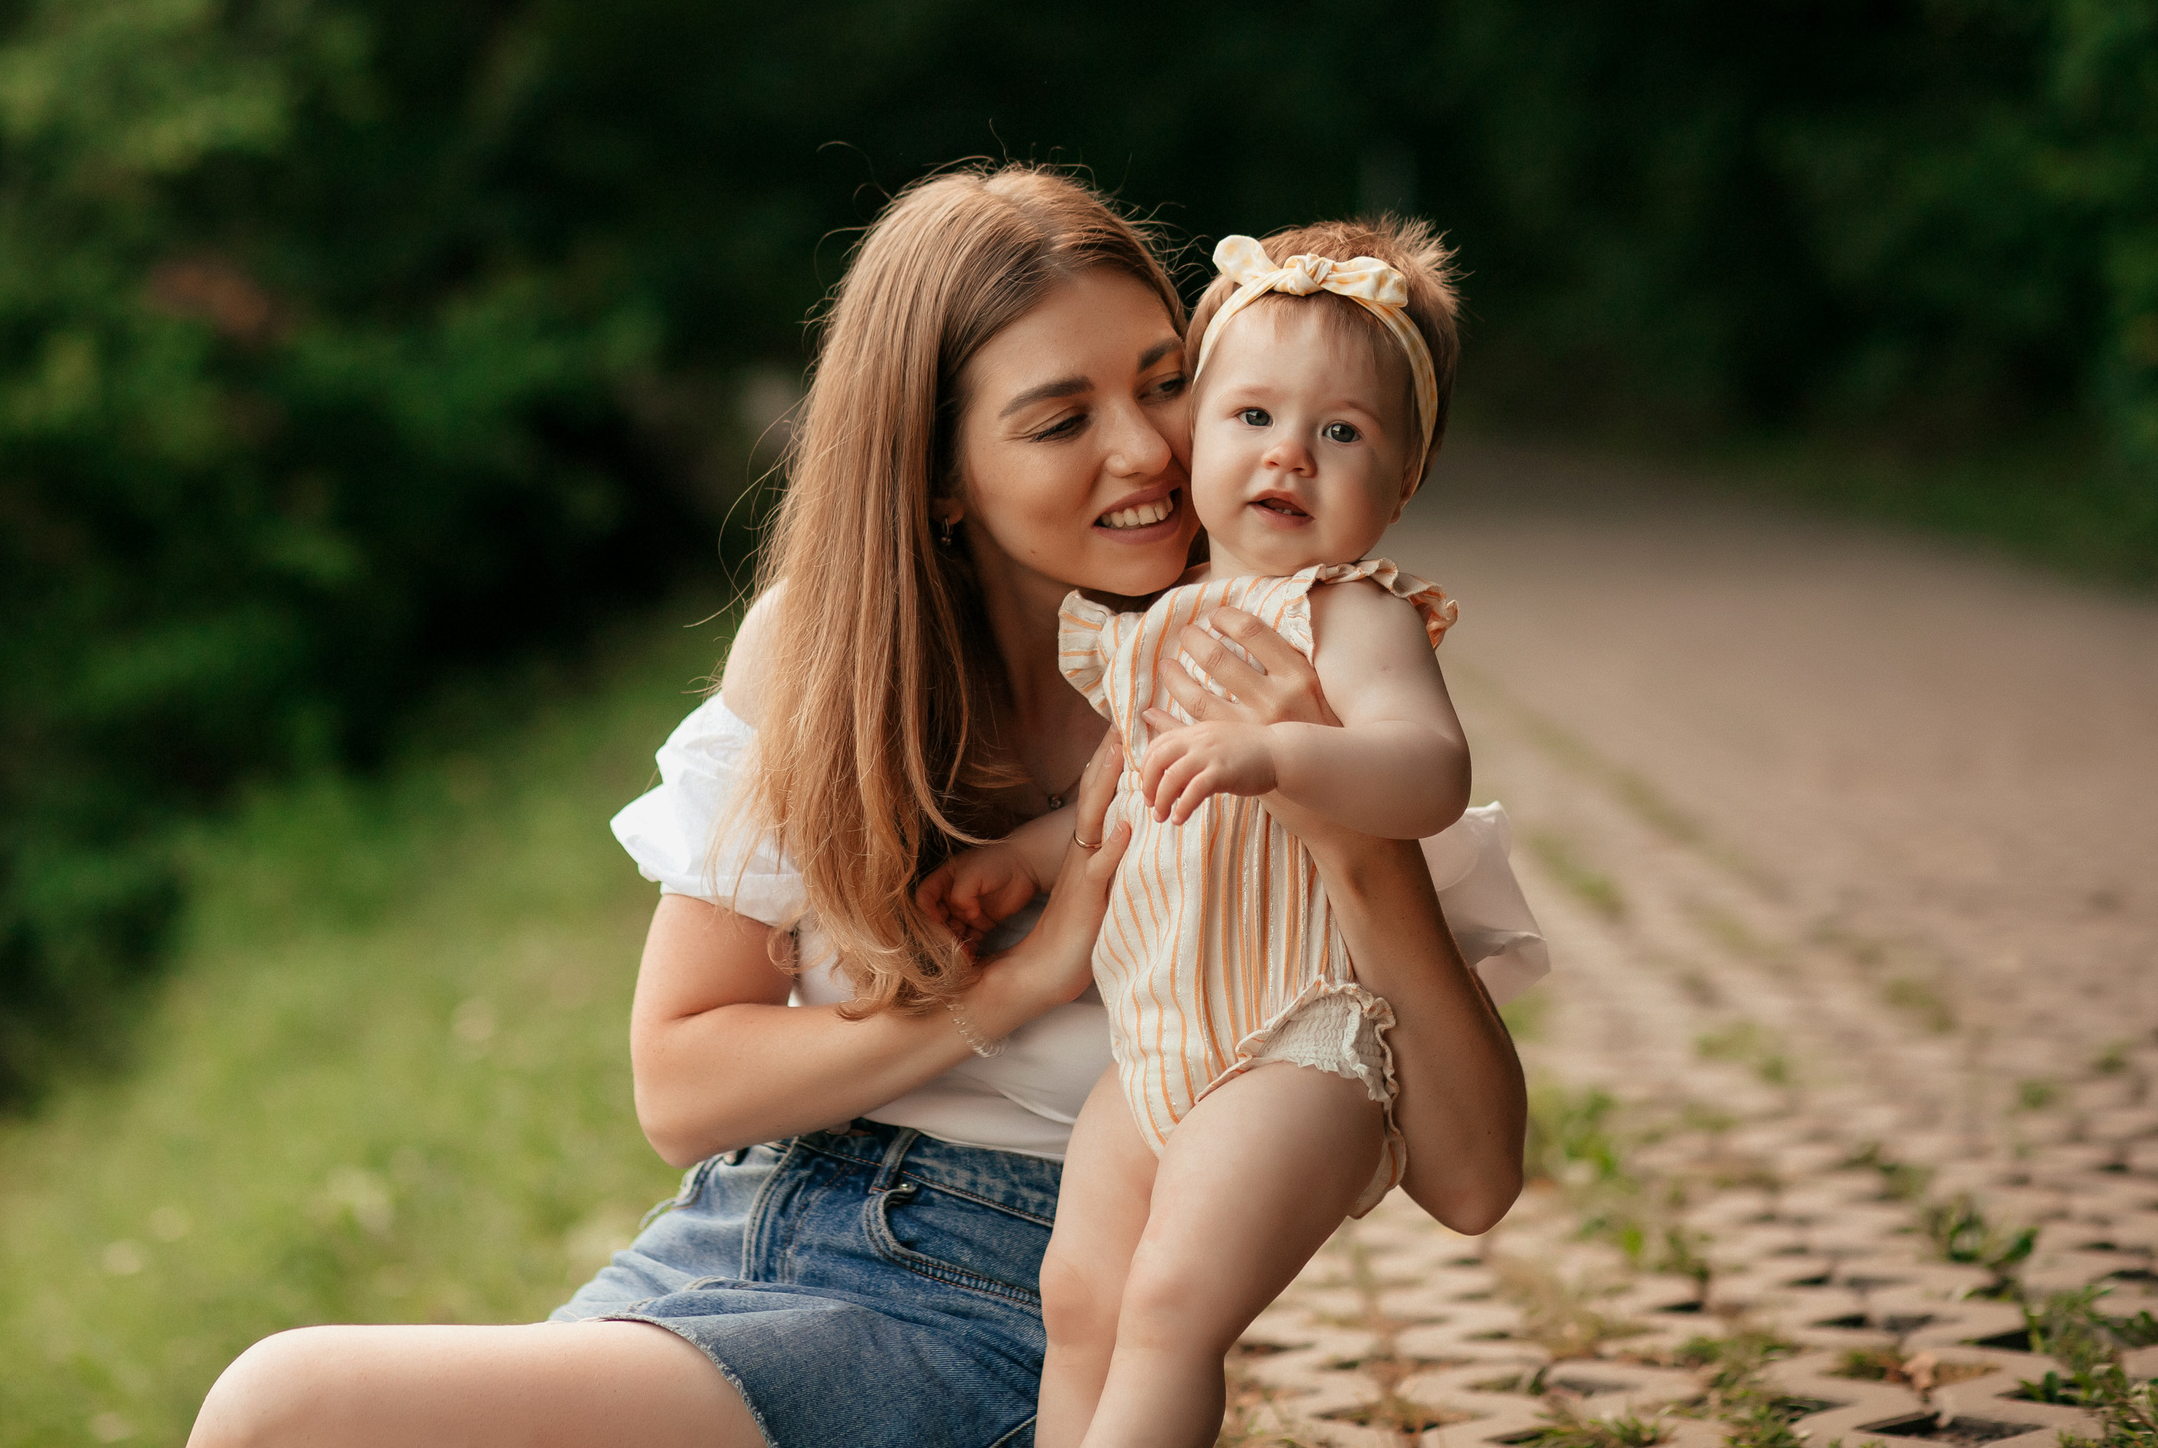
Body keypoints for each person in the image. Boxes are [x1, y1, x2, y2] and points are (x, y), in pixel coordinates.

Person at [185, 169, 1529, 1448]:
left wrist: (1337, 815)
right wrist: (1018, 980)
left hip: (984, 1310)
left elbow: (1471, 1174)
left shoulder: (1270, 672)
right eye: (1061, 419)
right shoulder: (826, 657)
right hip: (730, 1242)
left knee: (284, 1403)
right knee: (289, 1410)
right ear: (940, 472)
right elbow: (682, 1081)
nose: (1146, 450)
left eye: (1165, 386)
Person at [928, 219, 1545, 1447]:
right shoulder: (1152, 621)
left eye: (1342, 433)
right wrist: (1023, 860)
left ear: (1402, 484)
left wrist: (1279, 753)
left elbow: (1425, 775)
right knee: (1080, 1299)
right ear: (1194, 435)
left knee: (1172, 1302)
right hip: (1154, 1042)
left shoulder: (1350, 614)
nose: (1290, 460)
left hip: (1296, 1036)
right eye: (1252, 418)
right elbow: (1119, 798)